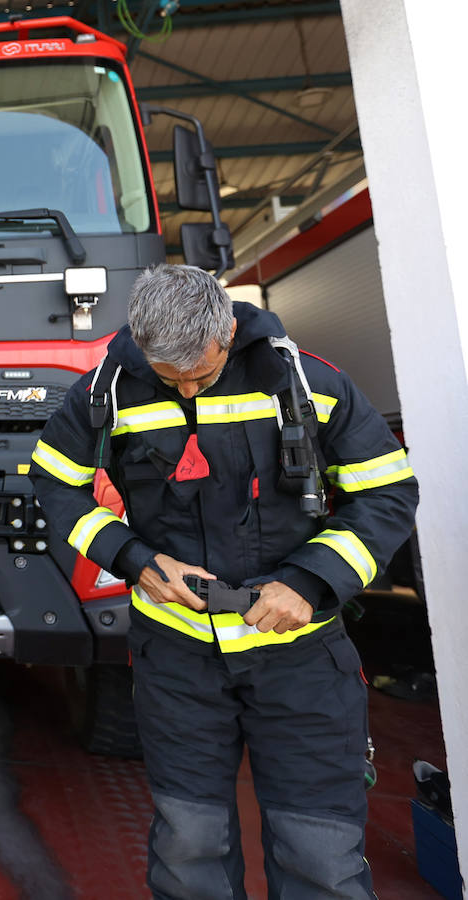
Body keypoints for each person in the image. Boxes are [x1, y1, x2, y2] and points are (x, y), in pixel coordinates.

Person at [29, 264, 418, 898]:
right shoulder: (109, 389)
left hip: (301, 661)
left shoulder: (307, 382)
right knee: (189, 848)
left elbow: (388, 493)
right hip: (177, 663)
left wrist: (311, 582)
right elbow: (53, 482)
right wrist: (132, 559)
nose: (185, 391)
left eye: (201, 375)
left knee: (318, 853)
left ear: (229, 330)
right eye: (169, 378)